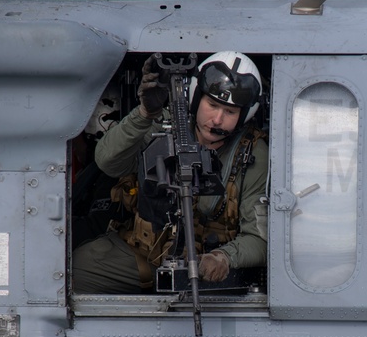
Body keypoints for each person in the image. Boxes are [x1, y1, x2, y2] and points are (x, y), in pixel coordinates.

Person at [72, 51, 268, 294]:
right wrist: (144, 114)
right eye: (212, 105)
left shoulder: (252, 154)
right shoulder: (166, 124)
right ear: (196, 98)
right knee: (73, 273)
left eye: (230, 112)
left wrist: (223, 257)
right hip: (142, 253)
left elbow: (259, 239)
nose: (217, 119)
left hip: (204, 271)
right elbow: (108, 162)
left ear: (243, 115)